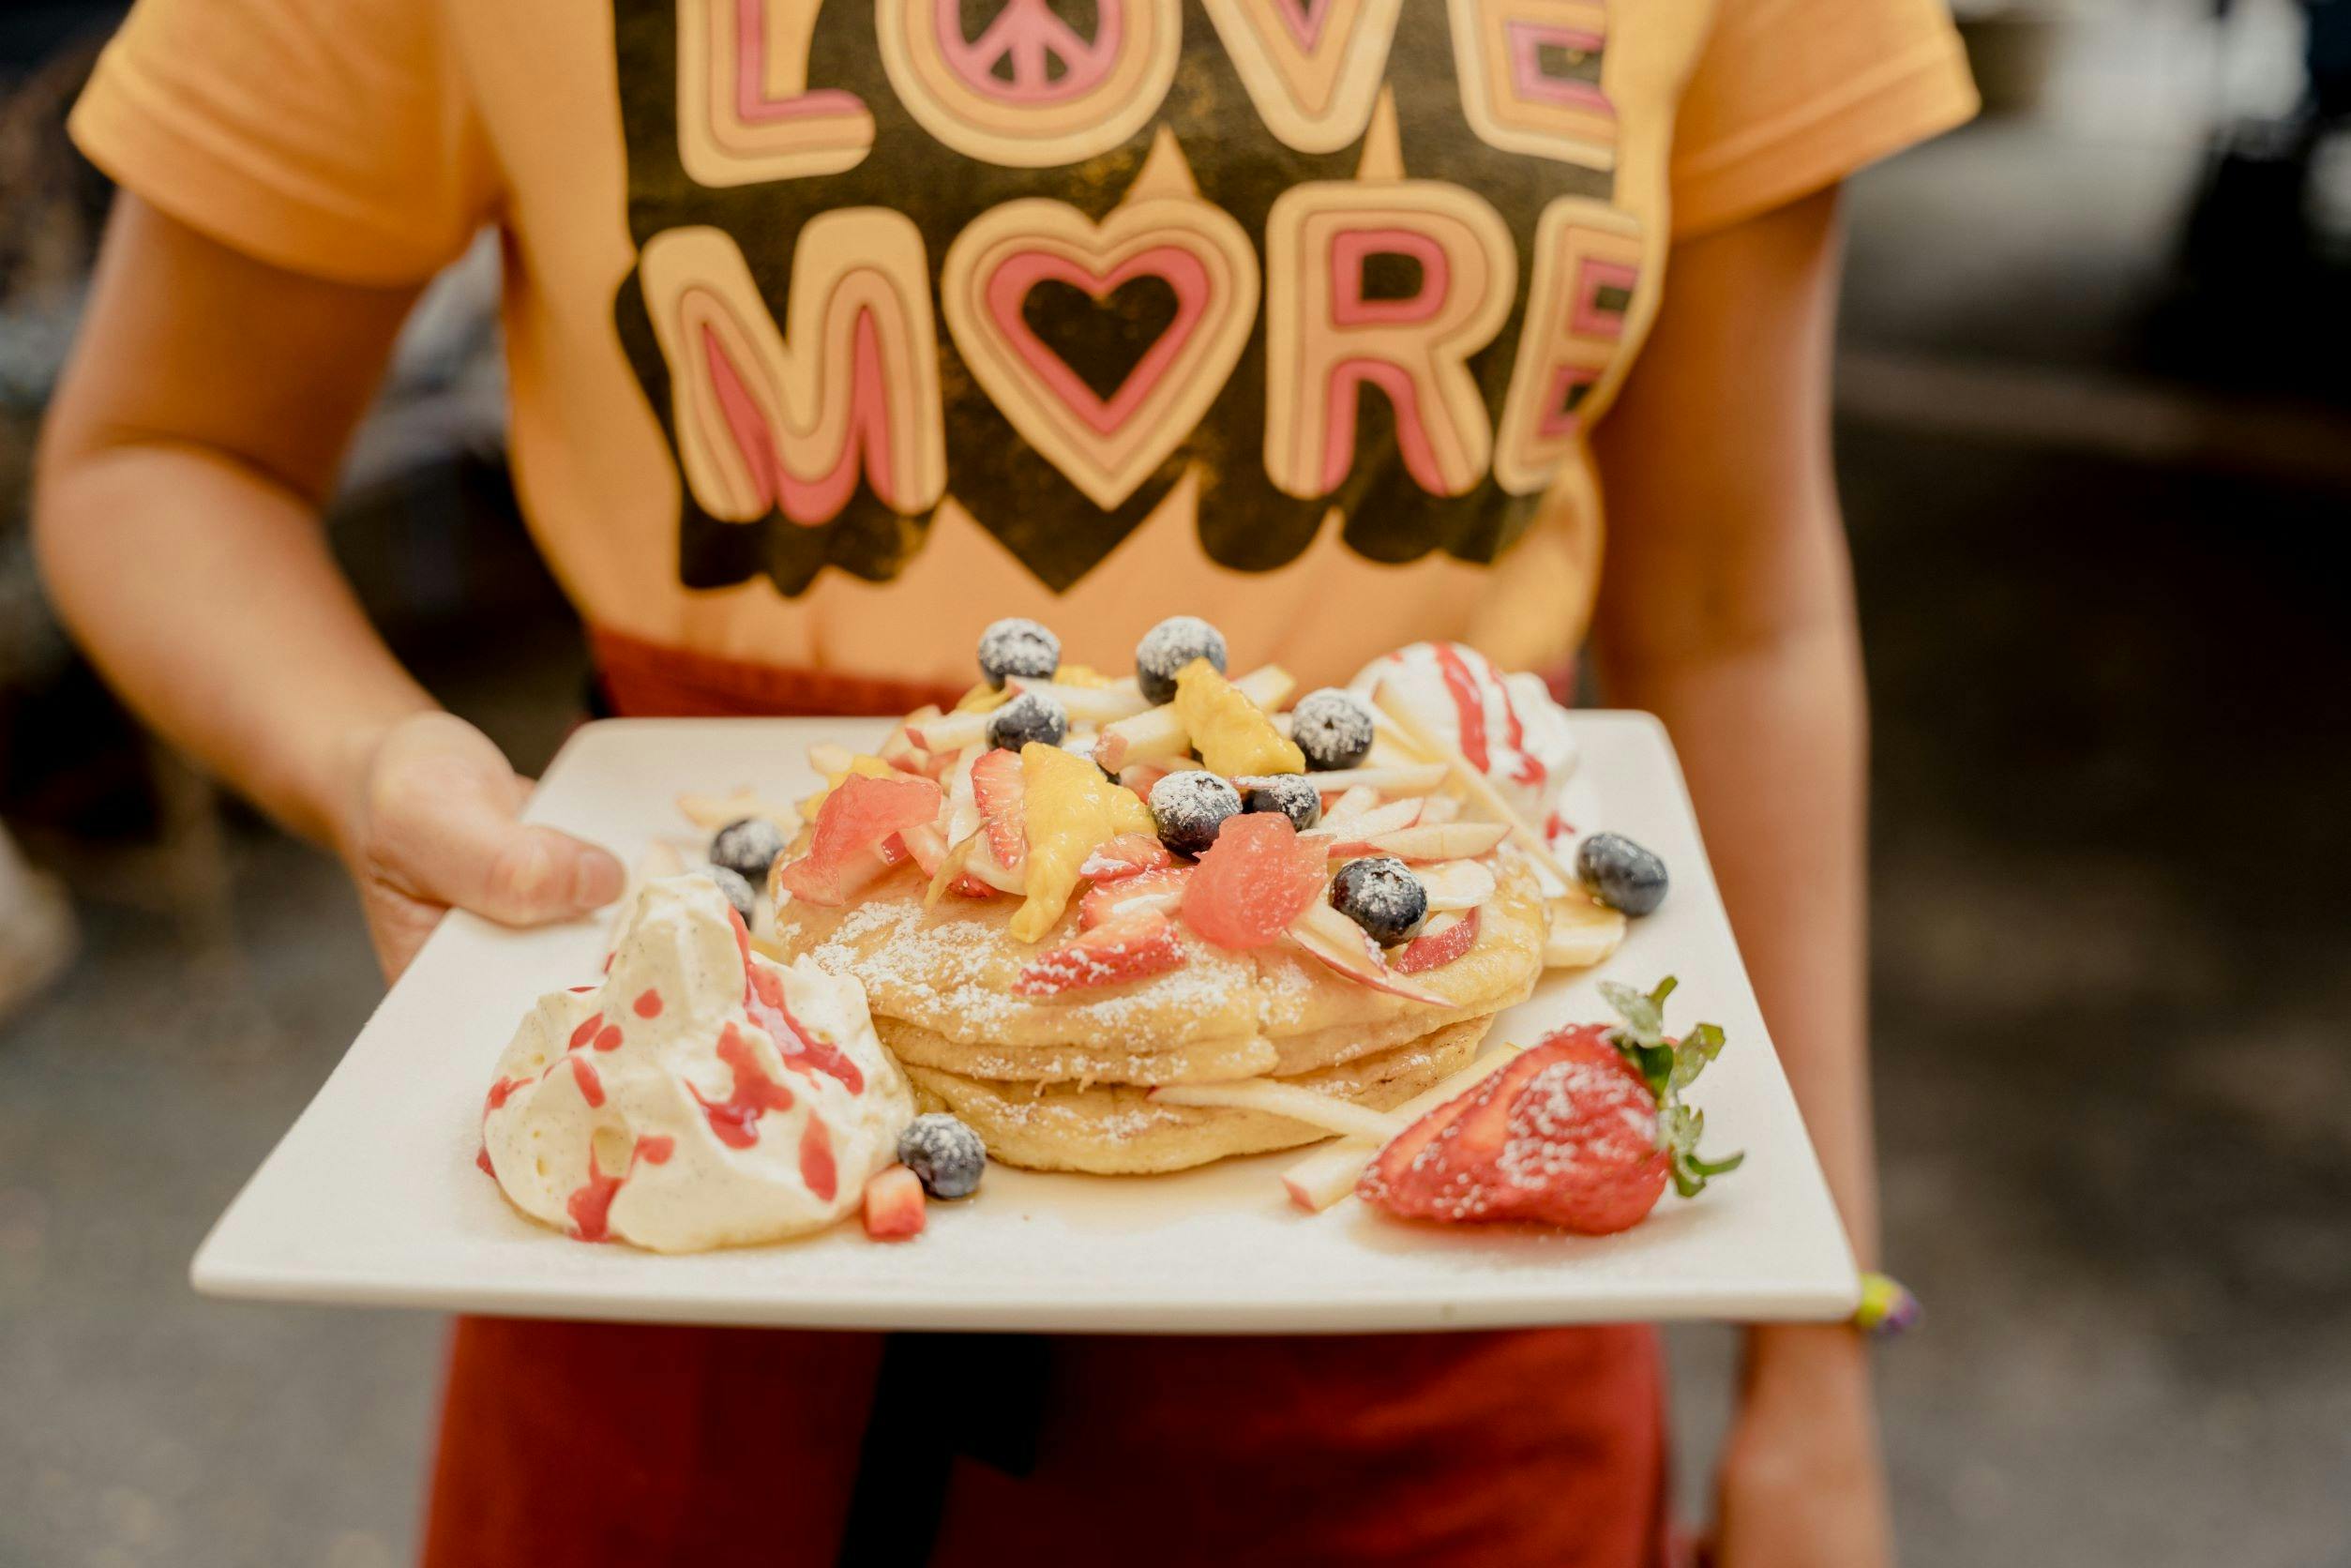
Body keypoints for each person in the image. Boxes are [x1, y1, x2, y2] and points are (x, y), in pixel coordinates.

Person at [32, 2, 1976, 1562]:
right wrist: (380, 755)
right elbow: (163, 452)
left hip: (1439, 1300)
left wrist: (1824, 1370)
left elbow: (1739, 621)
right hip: (713, 1228)